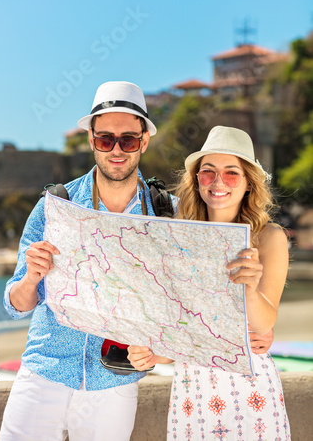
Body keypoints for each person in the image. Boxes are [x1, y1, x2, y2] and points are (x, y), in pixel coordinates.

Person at [0, 81, 158, 441]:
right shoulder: (55, 205)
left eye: (128, 140)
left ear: (144, 141)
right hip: (44, 370)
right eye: (106, 139)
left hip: (114, 378)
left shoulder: (167, 214)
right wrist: (30, 278)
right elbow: (16, 304)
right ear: (91, 139)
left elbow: (176, 308)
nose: (117, 150)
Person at [128, 126, 291, 440]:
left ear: (247, 184)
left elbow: (263, 323)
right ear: (196, 180)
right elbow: (180, 332)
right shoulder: (176, 238)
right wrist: (150, 354)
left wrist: (249, 288)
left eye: (232, 173)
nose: (218, 182)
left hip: (251, 387)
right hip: (193, 390)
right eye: (208, 172)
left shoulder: (270, 238)